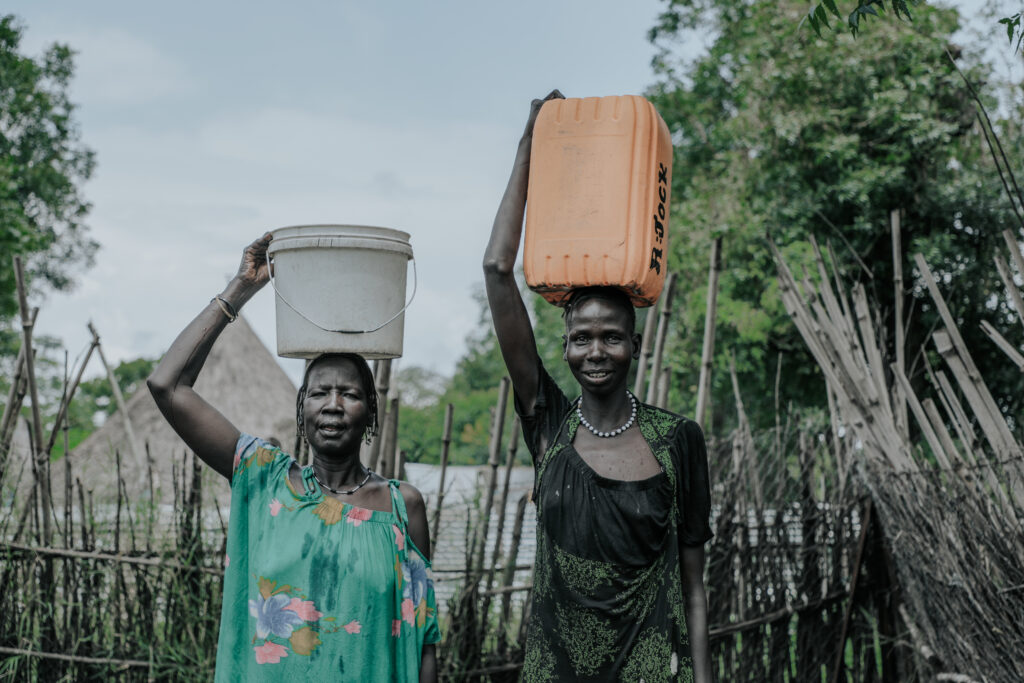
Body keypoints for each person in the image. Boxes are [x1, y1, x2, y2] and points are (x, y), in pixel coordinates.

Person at [482, 92, 713, 682]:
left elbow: (692, 590)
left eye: (612, 337)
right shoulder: (549, 424)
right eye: (581, 338)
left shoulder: (677, 440)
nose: (596, 352)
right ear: (564, 347)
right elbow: (496, 270)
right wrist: (529, 143)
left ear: (636, 346)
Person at [148, 233, 439, 682]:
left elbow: (423, 640)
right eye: (320, 392)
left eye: (350, 394)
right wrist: (240, 288)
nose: (333, 404)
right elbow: (167, 386)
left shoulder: (403, 506)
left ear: (371, 411)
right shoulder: (264, 480)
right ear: (301, 409)